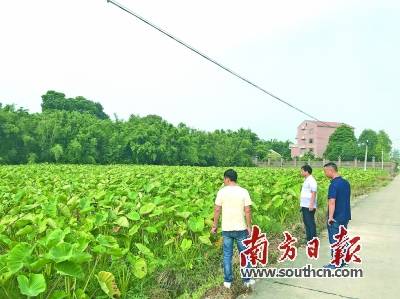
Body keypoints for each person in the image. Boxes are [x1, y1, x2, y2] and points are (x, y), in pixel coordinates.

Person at [211, 169, 255, 289]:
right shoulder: (244, 192)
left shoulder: (222, 192)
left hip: (227, 228)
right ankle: (247, 280)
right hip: (241, 228)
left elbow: (217, 209)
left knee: (227, 255)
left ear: (227, 179)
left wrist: (214, 226)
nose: (224, 181)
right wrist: (249, 226)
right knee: (244, 254)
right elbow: (247, 210)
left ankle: (228, 282)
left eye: (224, 179)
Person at [323, 162, 351, 269]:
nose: (325, 173)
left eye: (325, 171)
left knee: (334, 240)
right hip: (345, 216)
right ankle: (342, 261)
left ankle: (336, 263)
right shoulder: (346, 183)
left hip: (336, 217)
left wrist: (330, 217)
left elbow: (332, 202)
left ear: (331, 170)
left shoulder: (333, 184)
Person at [300, 165, 317, 242]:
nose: (301, 172)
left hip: (309, 205)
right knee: (306, 222)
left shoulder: (311, 180)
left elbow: (314, 192)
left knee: (310, 222)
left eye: (302, 171)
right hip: (305, 204)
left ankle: (313, 240)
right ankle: (309, 239)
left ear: (306, 172)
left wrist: (311, 204)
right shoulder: (307, 179)